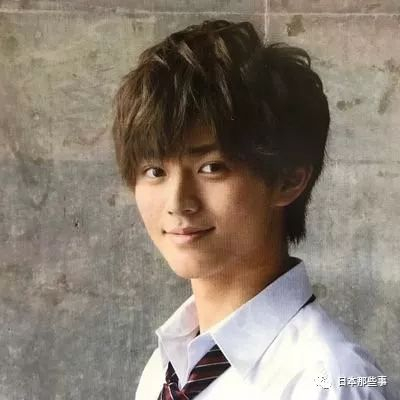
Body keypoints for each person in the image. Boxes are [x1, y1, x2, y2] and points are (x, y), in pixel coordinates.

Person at [111, 19, 399, 400]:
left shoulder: (329, 379)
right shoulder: (167, 367)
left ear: (287, 180)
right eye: (154, 171)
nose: (178, 203)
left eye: (211, 168)